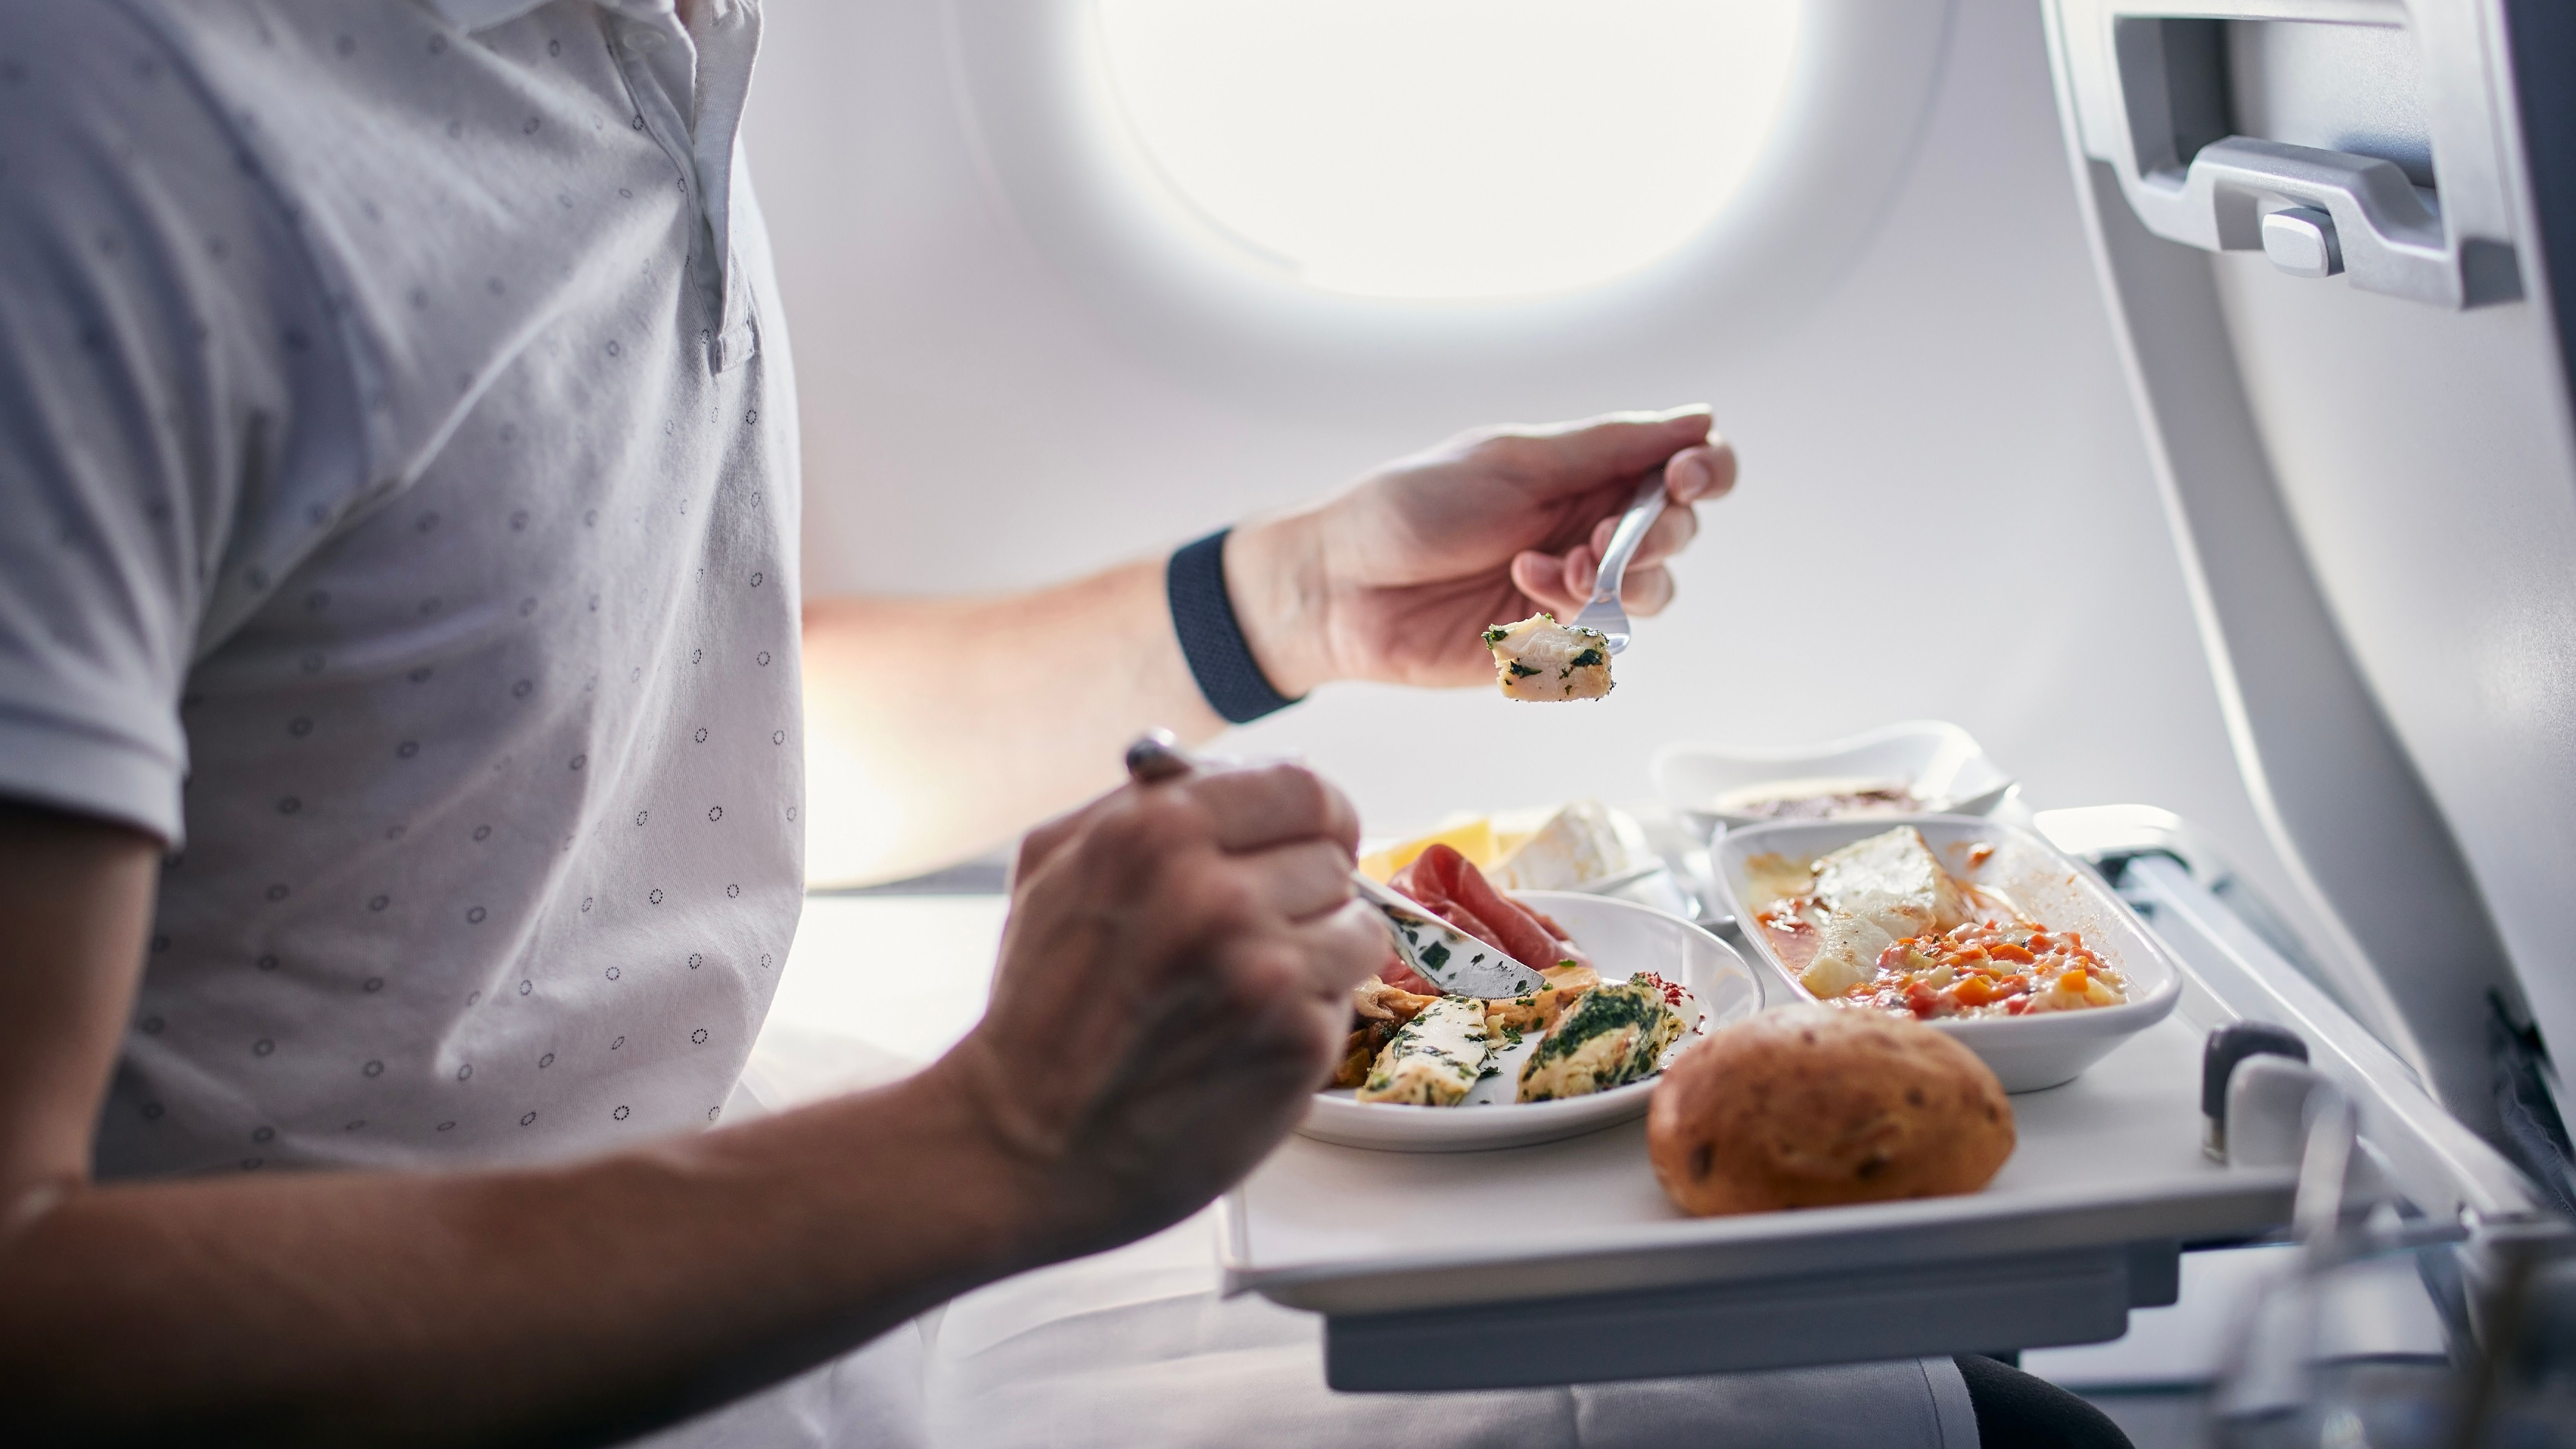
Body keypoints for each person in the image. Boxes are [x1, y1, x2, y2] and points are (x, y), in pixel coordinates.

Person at [0, 3, 2130, 1446]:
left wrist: (1279, 599)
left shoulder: (641, 50)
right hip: (526, 1353)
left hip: (764, 1202)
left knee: (1920, 1396)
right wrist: (996, 1143)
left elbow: (632, 762)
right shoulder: (104, 150)